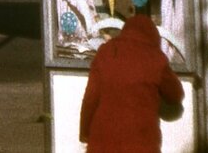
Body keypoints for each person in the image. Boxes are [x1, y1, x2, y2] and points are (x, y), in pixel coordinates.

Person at [79, 13, 184, 152]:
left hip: (103, 141)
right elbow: (176, 94)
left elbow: (90, 98)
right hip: (142, 141)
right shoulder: (156, 58)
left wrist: (85, 133)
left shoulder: (106, 52)